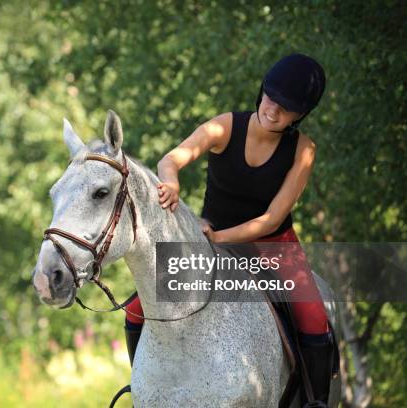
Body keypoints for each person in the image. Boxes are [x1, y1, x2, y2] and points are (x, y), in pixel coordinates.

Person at [124, 53, 334, 406]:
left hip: (272, 243)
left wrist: (218, 238)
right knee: (135, 309)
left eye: (287, 108)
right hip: (209, 239)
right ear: (262, 91)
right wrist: (171, 183)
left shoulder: (303, 150)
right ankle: (147, 389)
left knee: (313, 317)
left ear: (300, 115)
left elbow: (271, 218)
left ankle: (317, 402)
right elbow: (170, 160)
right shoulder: (225, 126)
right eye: (271, 98)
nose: (273, 110)